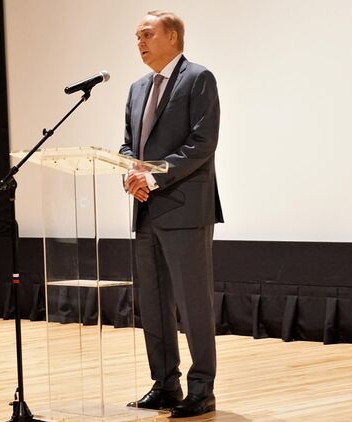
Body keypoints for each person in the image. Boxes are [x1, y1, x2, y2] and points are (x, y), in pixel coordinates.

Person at [119, 10, 223, 419]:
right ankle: (164, 385)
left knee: (192, 304)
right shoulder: (137, 88)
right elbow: (128, 144)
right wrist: (130, 172)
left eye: (147, 34)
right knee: (154, 303)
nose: (140, 42)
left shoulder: (198, 79)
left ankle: (201, 390)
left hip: (185, 208)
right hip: (146, 208)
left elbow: (202, 142)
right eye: (137, 36)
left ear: (173, 37)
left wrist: (153, 177)